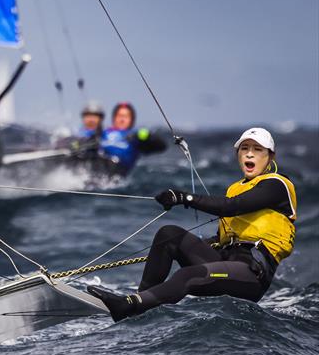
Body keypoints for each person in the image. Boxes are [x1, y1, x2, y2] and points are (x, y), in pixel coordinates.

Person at [88, 127, 297, 321]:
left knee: (187, 275)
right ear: (238, 155)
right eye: (245, 149)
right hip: (227, 259)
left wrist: (183, 198)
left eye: (257, 149)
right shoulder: (236, 188)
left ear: (270, 156)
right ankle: (138, 304)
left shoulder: (277, 185)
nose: (249, 154)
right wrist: (192, 246)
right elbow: (222, 237)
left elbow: (231, 207)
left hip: (252, 274)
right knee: (169, 235)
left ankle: (129, 306)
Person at [100, 102, 166, 171]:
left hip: (118, 169)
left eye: (125, 116)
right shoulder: (103, 133)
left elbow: (162, 146)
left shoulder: (135, 136)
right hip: (98, 164)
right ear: (114, 118)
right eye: (119, 116)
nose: (122, 119)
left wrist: (147, 137)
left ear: (131, 119)